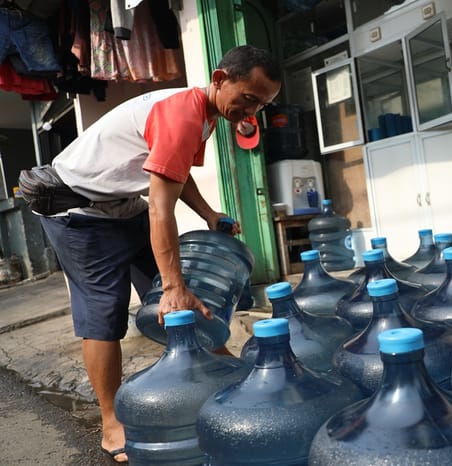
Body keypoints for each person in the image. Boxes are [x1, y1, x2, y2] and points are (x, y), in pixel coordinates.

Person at [35, 45, 281, 463]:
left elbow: (175, 172)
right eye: (248, 98)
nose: (251, 111)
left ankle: (224, 369)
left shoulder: (206, 115)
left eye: (262, 104)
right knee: (106, 312)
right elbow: (160, 209)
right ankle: (112, 424)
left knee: (184, 293)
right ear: (220, 79)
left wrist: (208, 214)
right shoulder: (182, 114)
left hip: (120, 205)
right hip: (76, 209)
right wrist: (171, 286)